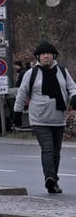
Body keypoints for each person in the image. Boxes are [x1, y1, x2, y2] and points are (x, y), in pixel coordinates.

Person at [13, 41, 76, 193]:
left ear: (53, 56)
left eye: (48, 54)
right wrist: (17, 113)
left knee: (56, 151)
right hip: (40, 119)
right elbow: (21, 94)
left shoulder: (61, 71)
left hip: (59, 118)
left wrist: (74, 97)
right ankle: (49, 178)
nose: (46, 56)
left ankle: (53, 179)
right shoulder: (31, 74)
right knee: (47, 149)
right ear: (38, 57)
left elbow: (72, 87)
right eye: (43, 54)